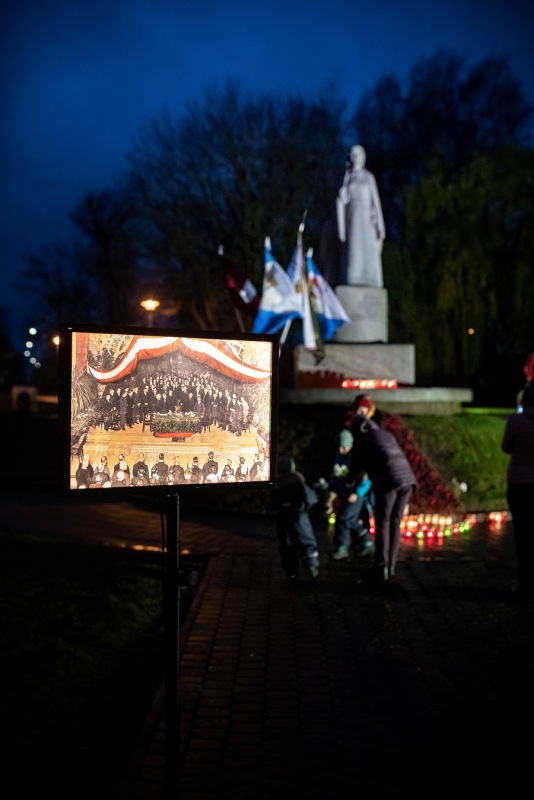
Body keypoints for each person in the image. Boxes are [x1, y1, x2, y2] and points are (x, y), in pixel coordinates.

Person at [349, 415, 416, 581]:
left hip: (389, 481)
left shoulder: (363, 440)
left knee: (383, 523)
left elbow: (357, 466)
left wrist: (347, 483)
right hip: (408, 480)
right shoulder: (385, 435)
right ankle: (391, 566)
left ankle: (381, 566)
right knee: (395, 523)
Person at [501, 380, 534, 598]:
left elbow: (506, 447)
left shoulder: (515, 420)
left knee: (522, 536)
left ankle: (526, 584)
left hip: (519, 484)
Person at [337, 145, 385, 287]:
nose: (356, 157)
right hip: (354, 219)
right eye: (353, 154)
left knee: (369, 252)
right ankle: (354, 277)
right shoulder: (347, 177)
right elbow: (342, 201)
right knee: (354, 252)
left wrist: (380, 225)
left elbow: (375, 202)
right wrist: (342, 197)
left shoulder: (369, 177)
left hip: (367, 219)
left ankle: (370, 278)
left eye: (358, 154)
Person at [271, 456, 320, 579]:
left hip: (282, 518)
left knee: (287, 544)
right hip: (299, 516)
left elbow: (271, 502)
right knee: (306, 541)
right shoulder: (298, 480)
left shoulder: (276, 483)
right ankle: (311, 566)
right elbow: (310, 499)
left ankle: (291, 571)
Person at [328, 430, 374, 560]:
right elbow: (335, 475)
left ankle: (342, 548)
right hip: (345, 493)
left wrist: (357, 492)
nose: (343, 449)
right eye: (340, 446)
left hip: (355, 494)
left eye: (345, 446)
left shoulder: (356, 459)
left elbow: (366, 478)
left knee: (344, 519)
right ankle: (366, 542)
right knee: (349, 520)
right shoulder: (338, 457)